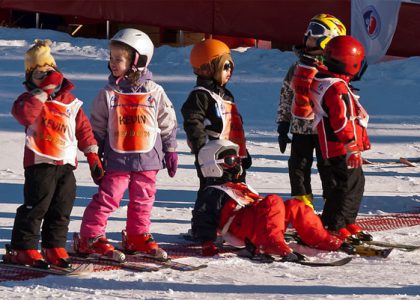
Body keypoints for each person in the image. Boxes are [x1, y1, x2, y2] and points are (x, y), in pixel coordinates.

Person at [74, 29, 178, 259]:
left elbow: (167, 121)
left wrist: (170, 149)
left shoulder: (154, 92)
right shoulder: (109, 93)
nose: (112, 63)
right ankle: (90, 236)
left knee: (144, 198)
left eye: (118, 59)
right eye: (111, 57)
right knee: (109, 197)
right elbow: (97, 126)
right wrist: (94, 154)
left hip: (148, 157)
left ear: (137, 61)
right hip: (118, 157)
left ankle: (137, 235)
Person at [3, 39, 102, 268]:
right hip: (41, 162)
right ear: (30, 79)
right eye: (39, 74)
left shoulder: (71, 103)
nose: (45, 77)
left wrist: (93, 156)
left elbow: (84, 130)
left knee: (62, 206)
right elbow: (24, 116)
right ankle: (23, 248)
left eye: (49, 71)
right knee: (37, 205)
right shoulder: (30, 100)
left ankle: (53, 246)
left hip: (66, 163)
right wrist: (41, 93)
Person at [192, 139, 348, 259]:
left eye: (237, 161)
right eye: (230, 161)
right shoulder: (213, 192)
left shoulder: (240, 186)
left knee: (295, 205)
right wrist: (207, 242)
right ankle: (270, 244)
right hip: (240, 228)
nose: (236, 165)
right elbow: (202, 217)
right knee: (273, 200)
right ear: (213, 165)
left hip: (258, 224)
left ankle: (322, 239)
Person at [276, 14, 346, 209]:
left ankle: (332, 206)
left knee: (327, 168)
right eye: (308, 32)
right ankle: (302, 205)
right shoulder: (297, 67)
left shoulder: (331, 68)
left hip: (324, 129)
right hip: (300, 129)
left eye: (315, 33)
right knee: (298, 167)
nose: (308, 36)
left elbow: (342, 98)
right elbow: (286, 96)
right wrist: (283, 124)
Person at [310, 35, 372, 241]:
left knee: (344, 185)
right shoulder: (336, 87)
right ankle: (336, 224)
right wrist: (351, 145)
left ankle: (344, 220)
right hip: (341, 146)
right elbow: (341, 119)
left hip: (333, 144)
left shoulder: (323, 79)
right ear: (351, 63)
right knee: (350, 185)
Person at [181, 39, 252, 193]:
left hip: (233, 158)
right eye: (225, 66)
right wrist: (201, 150)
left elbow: (234, 128)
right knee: (213, 194)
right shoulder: (201, 95)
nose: (230, 71)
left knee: (238, 193)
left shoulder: (226, 96)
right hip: (213, 159)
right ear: (207, 68)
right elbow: (192, 121)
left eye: (231, 66)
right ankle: (205, 217)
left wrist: (244, 154)